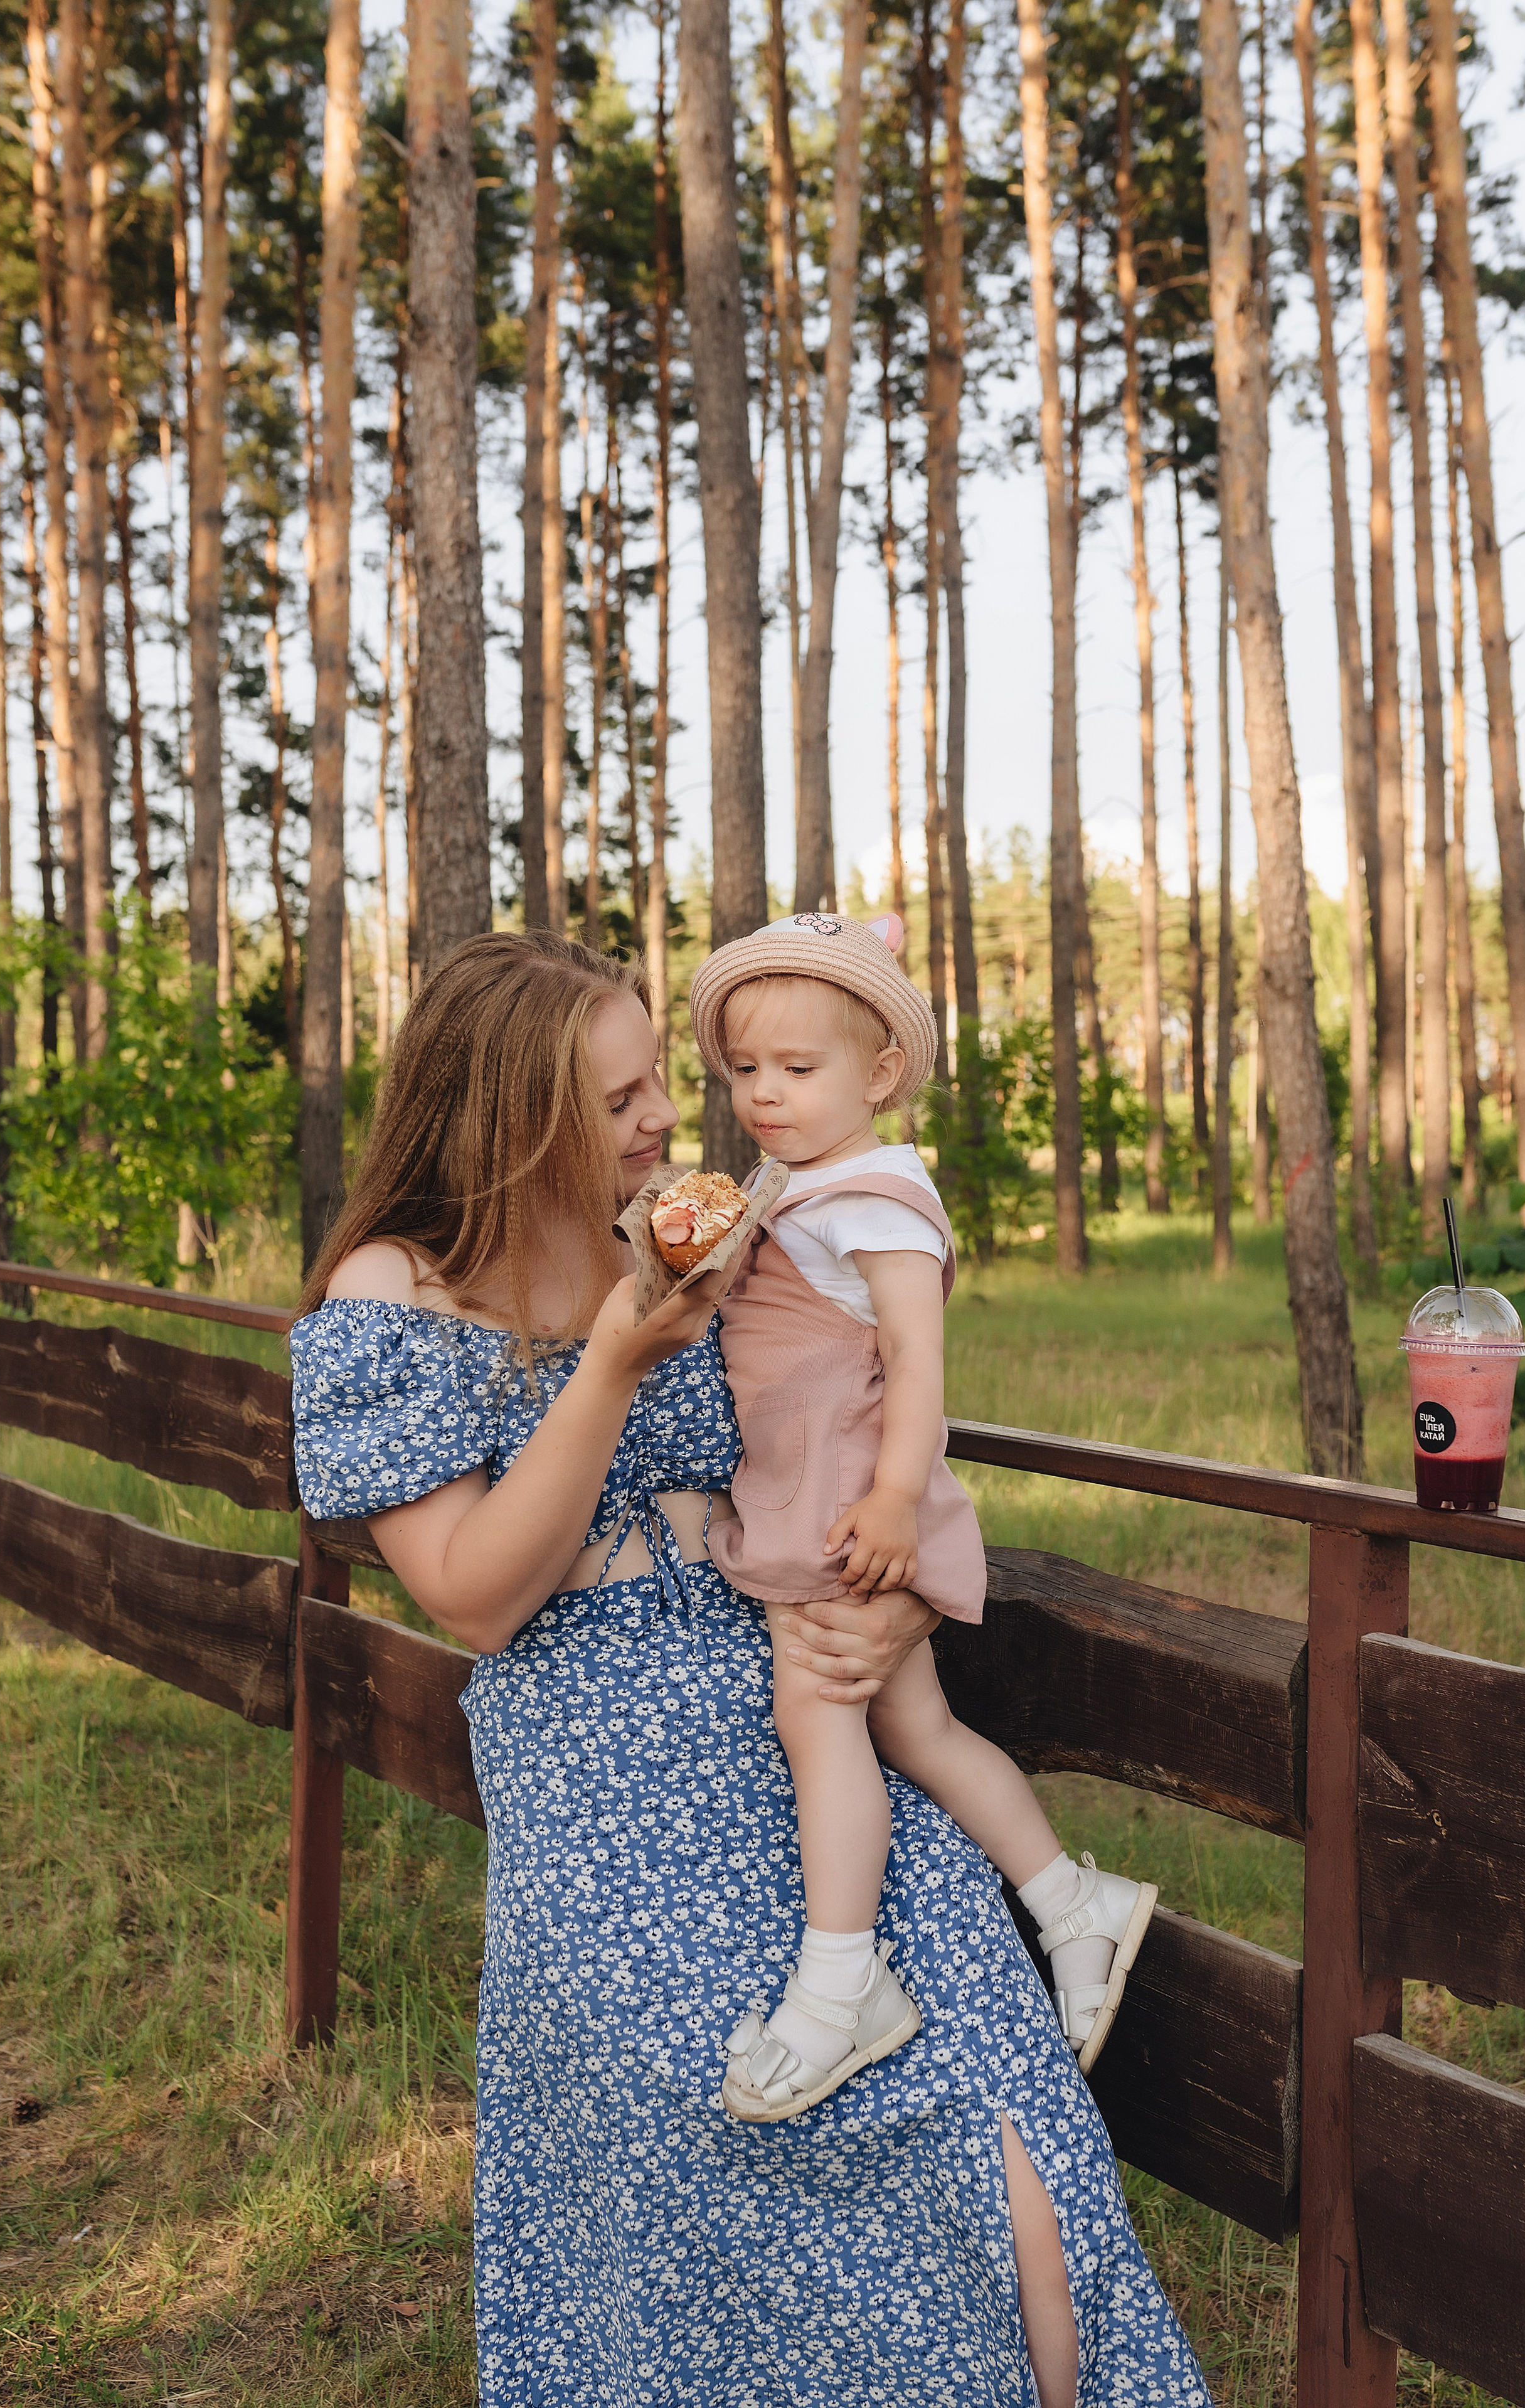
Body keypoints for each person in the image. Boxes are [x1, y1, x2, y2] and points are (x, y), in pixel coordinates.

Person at [290, 930, 1213, 2408]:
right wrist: (608, 1360)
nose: (666, 1112)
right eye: (617, 1096)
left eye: (659, 1073)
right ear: (510, 1114)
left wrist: (895, 1594)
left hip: (802, 1714)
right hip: (601, 1765)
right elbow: (472, 1597)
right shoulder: (390, 1298)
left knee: (993, 2080)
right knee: (709, 2124)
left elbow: (832, 1424)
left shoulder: (680, 1228)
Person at [688, 912, 1156, 2123]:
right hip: (818, 1482)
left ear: (880, 1073)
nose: (765, 1094)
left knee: (816, 1711)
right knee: (919, 1727)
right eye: (745, 1070)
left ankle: (843, 1983)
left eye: (799, 1070)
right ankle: (1070, 1901)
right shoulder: (793, 1182)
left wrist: (896, 1496)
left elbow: (917, 1356)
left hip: (847, 1503)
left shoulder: (877, 1197)